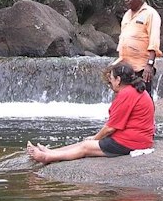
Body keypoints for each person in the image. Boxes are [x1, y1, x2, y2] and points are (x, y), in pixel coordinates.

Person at [27, 62, 155, 164]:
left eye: (111, 78)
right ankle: (50, 152)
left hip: (132, 142)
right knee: (86, 143)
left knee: (87, 146)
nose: (110, 82)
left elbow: (110, 128)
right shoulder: (135, 90)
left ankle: (47, 158)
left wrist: (95, 138)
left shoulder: (126, 94)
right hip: (138, 139)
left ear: (118, 79)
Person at [114, 0, 162, 96]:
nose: (126, 0)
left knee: (142, 98)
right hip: (125, 66)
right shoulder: (126, 16)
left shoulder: (150, 14)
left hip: (141, 67)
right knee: (125, 98)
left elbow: (154, 40)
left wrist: (149, 65)